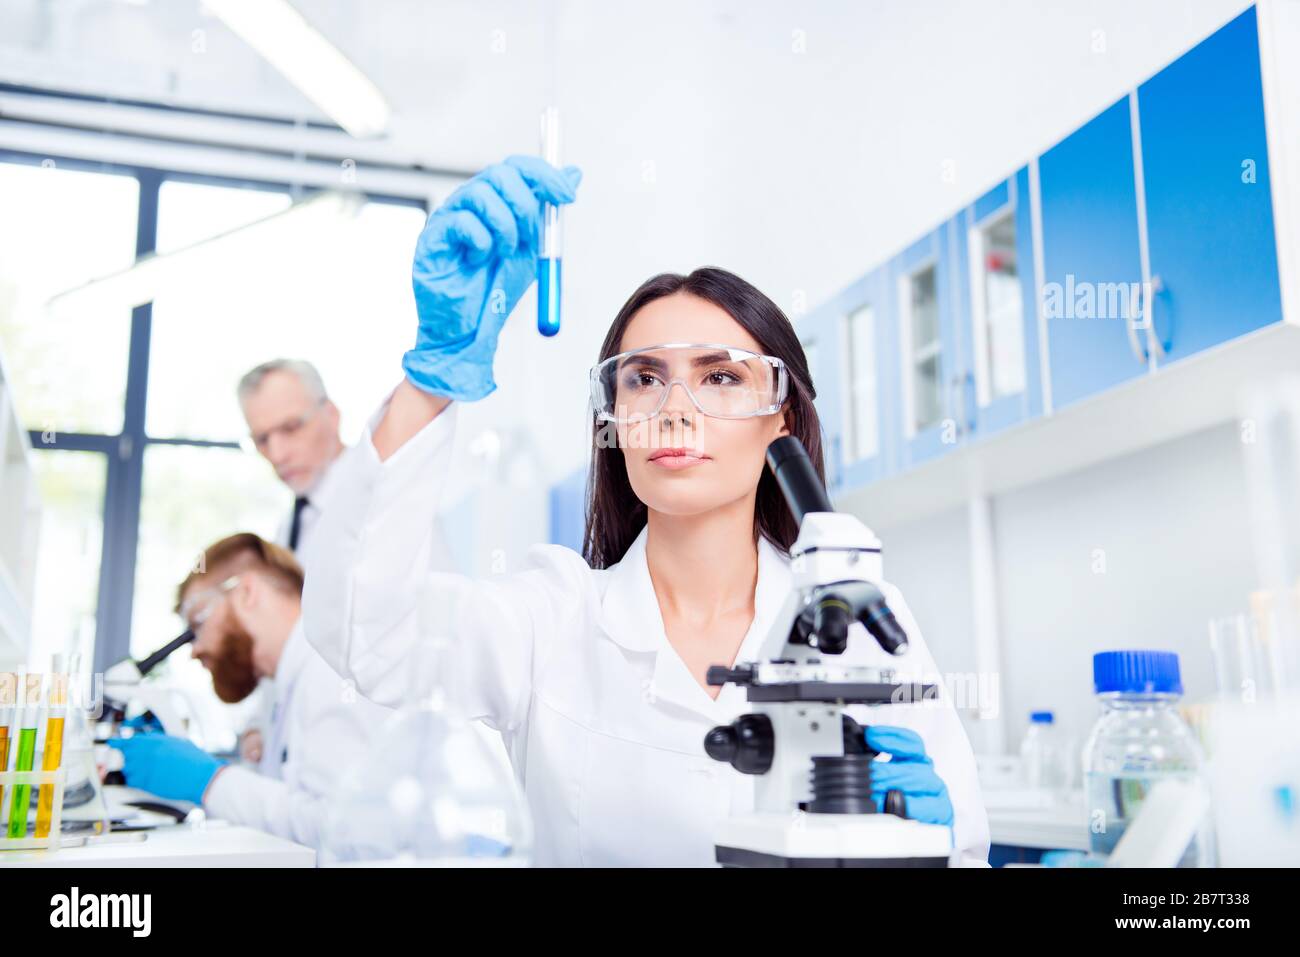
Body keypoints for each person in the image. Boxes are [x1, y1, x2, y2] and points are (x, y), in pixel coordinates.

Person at [303, 155, 990, 866]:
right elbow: (364, 631)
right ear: (616, 419)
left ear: (780, 419)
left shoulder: (864, 619)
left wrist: (923, 851)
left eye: (721, 376)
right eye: (644, 380)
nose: (675, 411)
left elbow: (965, 851)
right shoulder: (553, 618)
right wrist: (431, 377)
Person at [108, 533, 389, 851]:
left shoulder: (331, 671)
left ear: (247, 593)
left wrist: (209, 781)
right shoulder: (287, 683)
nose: (194, 650)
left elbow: (346, 831)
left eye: (196, 625)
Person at [237, 358, 346, 556]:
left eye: (291, 428)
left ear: (332, 415)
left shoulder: (385, 496)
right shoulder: (287, 530)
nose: (277, 455)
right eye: (262, 439)